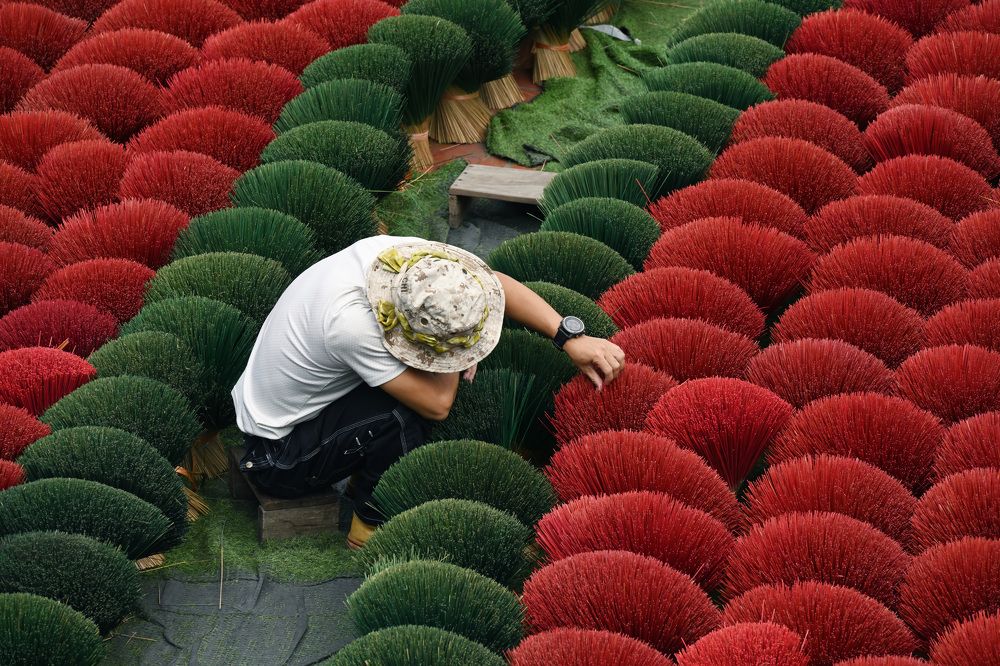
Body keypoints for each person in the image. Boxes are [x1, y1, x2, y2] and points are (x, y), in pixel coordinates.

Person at [232, 237, 626, 549]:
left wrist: (568, 337)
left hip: (302, 408)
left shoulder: (405, 265)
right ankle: (368, 524)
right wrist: (457, 353)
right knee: (403, 416)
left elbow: (494, 284)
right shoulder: (350, 327)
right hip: (277, 455)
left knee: (408, 390)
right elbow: (438, 405)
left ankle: (356, 470)